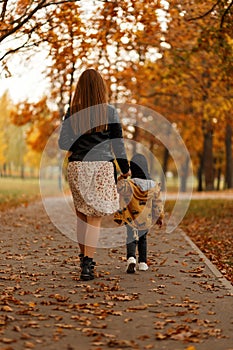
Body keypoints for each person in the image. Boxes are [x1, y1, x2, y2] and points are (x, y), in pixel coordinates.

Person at [58, 68, 130, 281]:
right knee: (94, 218)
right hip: (101, 167)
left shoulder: (73, 112)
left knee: (82, 216)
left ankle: (84, 260)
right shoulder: (109, 111)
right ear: (101, 88)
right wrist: (125, 169)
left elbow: (63, 143)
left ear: (80, 88)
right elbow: (118, 145)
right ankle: (88, 266)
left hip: (77, 166)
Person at [114, 153, 164, 273]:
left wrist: (123, 176)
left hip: (130, 216)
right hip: (145, 218)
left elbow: (118, 186)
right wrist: (160, 217)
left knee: (130, 237)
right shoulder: (153, 186)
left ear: (133, 169)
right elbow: (158, 204)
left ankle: (131, 258)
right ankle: (143, 263)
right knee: (143, 238)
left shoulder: (129, 185)